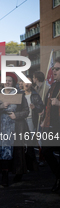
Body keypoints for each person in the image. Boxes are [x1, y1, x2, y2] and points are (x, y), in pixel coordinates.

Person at [0, 73, 29, 187]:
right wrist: (0, 107)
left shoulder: (20, 95)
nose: (7, 82)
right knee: (2, 152)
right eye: (5, 80)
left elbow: (26, 111)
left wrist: (16, 115)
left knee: (17, 153)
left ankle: (18, 173)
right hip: (1, 127)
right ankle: (4, 176)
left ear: (14, 83)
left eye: (10, 81)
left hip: (16, 127)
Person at [41, 57, 60, 193]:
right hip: (52, 126)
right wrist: (44, 119)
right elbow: (48, 107)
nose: (54, 71)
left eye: (57, 69)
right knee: (46, 150)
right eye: (53, 69)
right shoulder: (53, 86)